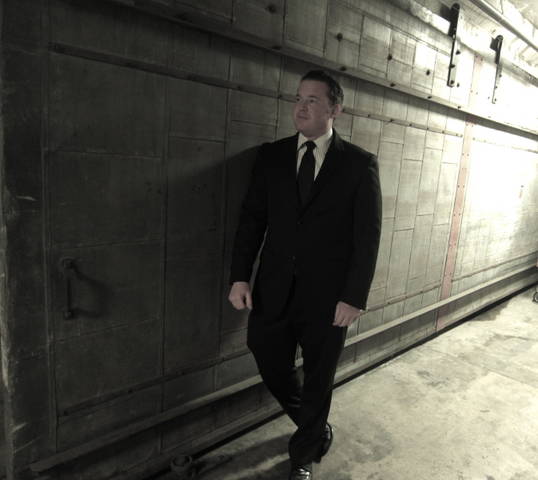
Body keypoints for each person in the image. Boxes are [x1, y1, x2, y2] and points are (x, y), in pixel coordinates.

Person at [228, 70, 382, 480]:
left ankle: (303, 457)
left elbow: (367, 237)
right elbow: (252, 220)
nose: (301, 106)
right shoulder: (272, 156)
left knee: (318, 377)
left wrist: (354, 297)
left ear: (335, 109)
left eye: (312, 100)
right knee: (265, 353)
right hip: (274, 288)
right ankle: (314, 427)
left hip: (329, 298)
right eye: (298, 98)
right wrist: (240, 276)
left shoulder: (359, 164)